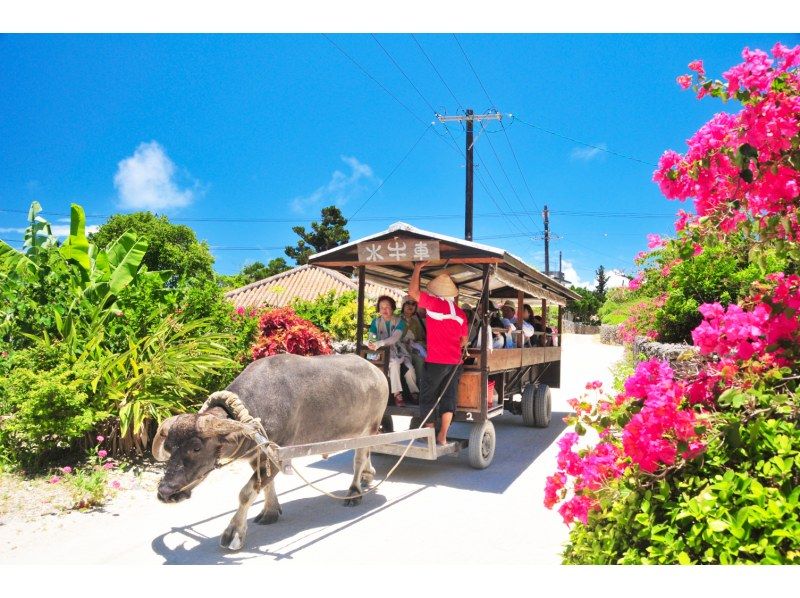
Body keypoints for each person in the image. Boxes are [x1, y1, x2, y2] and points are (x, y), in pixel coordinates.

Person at [409, 262, 468, 446]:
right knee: (449, 397)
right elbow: (463, 340)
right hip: (454, 362)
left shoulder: (434, 304)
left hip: (436, 361)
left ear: (436, 292)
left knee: (428, 396)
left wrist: (417, 268)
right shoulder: (460, 314)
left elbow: (413, 292)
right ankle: (442, 436)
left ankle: (429, 435)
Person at [366, 295, 419, 406]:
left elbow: (395, 338)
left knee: (410, 369)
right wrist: (372, 343)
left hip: (399, 351)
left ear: (393, 308)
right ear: (378, 309)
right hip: (381, 353)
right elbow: (371, 338)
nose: (384, 310)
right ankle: (397, 395)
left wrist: (379, 343)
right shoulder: (375, 322)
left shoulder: (400, 322)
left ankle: (414, 393)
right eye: (382, 307)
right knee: (394, 363)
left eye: (387, 307)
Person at [399, 295, 426, 398]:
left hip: (412, 350)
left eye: (413, 304)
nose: (411, 306)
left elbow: (419, 338)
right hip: (400, 350)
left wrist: (416, 345)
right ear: (403, 305)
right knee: (408, 366)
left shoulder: (415, 322)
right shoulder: (396, 319)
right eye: (408, 303)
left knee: (420, 361)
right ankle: (413, 393)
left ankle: (420, 391)